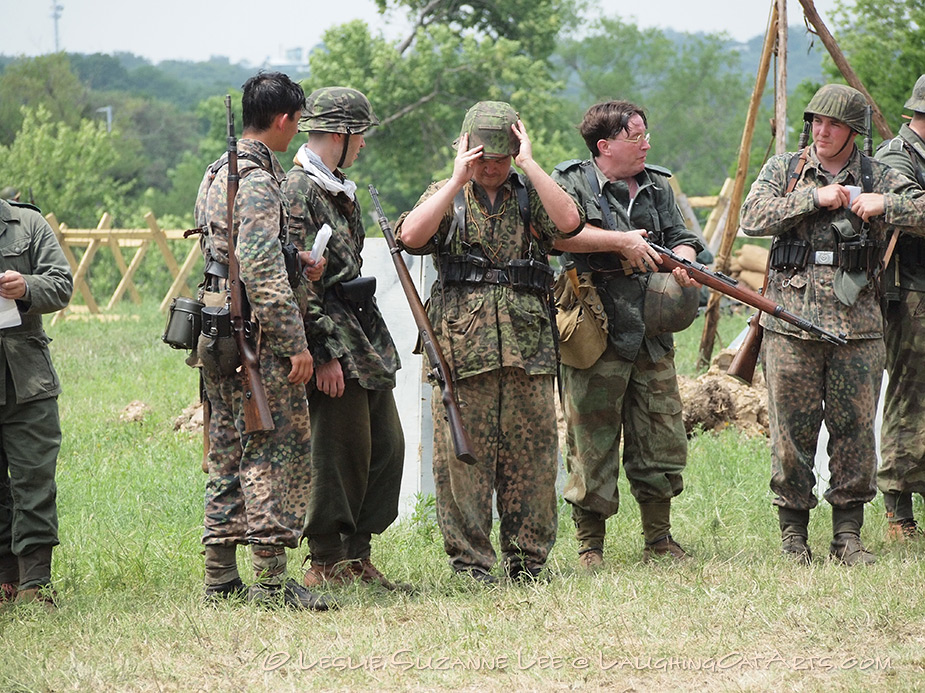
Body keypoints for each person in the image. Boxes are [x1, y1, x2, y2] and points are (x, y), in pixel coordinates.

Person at [395, 101, 584, 583]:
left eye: (502, 156)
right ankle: (471, 564)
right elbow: (411, 236)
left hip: (528, 353)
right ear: (464, 150)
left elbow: (568, 223)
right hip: (461, 354)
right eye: (482, 156)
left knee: (534, 461)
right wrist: (456, 180)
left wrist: (531, 165)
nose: (492, 166)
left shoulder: (529, 193)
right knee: (462, 466)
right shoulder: (447, 194)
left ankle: (528, 561)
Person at [740, 83, 925, 566]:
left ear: (853, 131)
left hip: (858, 327)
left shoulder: (880, 174)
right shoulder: (785, 169)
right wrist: (814, 199)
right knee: (790, 435)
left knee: (855, 433)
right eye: (816, 122)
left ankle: (848, 535)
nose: (822, 132)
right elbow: (752, 217)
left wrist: (888, 205)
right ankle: (793, 537)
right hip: (791, 324)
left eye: (834, 124)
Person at [194, 71, 329, 610]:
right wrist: (296, 343)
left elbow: (226, 253)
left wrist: (298, 259)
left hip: (219, 330)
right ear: (283, 120)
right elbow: (260, 268)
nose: (296, 132)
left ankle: (220, 577)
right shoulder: (254, 180)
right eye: (296, 122)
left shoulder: (216, 173)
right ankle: (273, 584)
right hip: (256, 336)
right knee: (274, 450)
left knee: (227, 449)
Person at [550, 100, 703, 570]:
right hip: (595, 328)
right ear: (606, 145)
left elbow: (684, 236)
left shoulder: (656, 184)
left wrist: (682, 259)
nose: (646, 144)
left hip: (651, 332)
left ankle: (659, 538)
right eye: (636, 136)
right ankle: (589, 546)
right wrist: (621, 241)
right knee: (590, 441)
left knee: (660, 434)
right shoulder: (571, 182)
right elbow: (557, 235)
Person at [282, 87, 407, 591]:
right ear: (340, 133)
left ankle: (358, 555)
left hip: (359, 329)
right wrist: (322, 351)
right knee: (338, 449)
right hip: (329, 332)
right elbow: (296, 277)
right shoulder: (298, 190)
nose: (363, 144)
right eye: (360, 134)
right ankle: (326, 559)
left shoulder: (336, 186)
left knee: (384, 446)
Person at [0, 198, 72, 609]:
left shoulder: (26, 224)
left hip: (27, 380)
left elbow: (61, 282)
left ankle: (36, 582)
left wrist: (26, 287)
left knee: (33, 480)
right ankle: (4, 578)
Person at [875, 74, 925, 540]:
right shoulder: (896, 157)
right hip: (910, 293)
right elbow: (908, 211)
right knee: (910, 397)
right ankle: (898, 510)